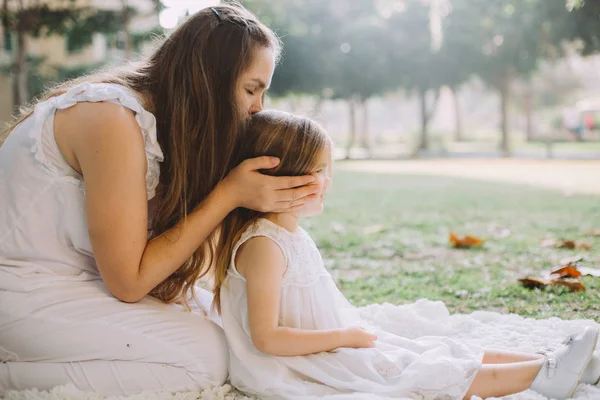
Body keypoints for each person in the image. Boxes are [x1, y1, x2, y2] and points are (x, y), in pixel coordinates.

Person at [0, 4, 321, 396]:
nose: (258, 107)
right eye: (251, 89)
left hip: (80, 283)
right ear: (210, 81)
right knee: (208, 359)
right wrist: (228, 194)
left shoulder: (155, 123)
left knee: (234, 329)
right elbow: (130, 282)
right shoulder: (110, 119)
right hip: (21, 293)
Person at [215, 109, 600, 400]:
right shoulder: (263, 245)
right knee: (419, 371)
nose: (327, 181)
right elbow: (266, 338)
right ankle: (545, 377)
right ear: (285, 176)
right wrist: (343, 336)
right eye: (317, 170)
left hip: (326, 342)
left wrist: (347, 334)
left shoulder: (288, 233)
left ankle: (553, 363)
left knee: (430, 348)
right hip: (296, 362)